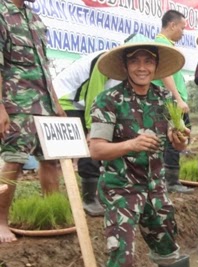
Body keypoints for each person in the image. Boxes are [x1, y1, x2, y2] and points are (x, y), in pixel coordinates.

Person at [89, 41, 191, 267]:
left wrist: (179, 140)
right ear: (125, 66)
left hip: (155, 188)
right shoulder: (108, 101)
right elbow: (96, 149)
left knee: (168, 247)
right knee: (121, 254)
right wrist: (131, 144)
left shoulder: (166, 100)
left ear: (156, 66)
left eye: (148, 61)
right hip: (121, 188)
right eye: (135, 61)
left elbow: (181, 144)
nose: (142, 67)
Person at [53, 33, 147, 217]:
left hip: (84, 103)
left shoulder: (129, 73)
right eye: (134, 59)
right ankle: (89, 199)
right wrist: (91, 128)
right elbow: (94, 96)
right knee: (92, 143)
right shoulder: (104, 63)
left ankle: (108, 187)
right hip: (67, 100)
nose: (139, 65)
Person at [0, 0, 66, 243]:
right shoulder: (2, 14)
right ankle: (1, 222)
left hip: (44, 104)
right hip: (17, 103)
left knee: (50, 161)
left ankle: (53, 214)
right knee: (14, 160)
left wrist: (56, 102)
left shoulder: (34, 18)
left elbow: (44, 66)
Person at [152, 9, 193, 194]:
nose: (183, 32)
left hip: (172, 99)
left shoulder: (166, 44)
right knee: (173, 138)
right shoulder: (162, 44)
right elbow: (164, 73)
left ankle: (169, 181)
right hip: (169, 101)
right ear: (172, 25)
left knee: (176, 137)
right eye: (182, 28)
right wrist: (177, 99)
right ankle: (171, 182)